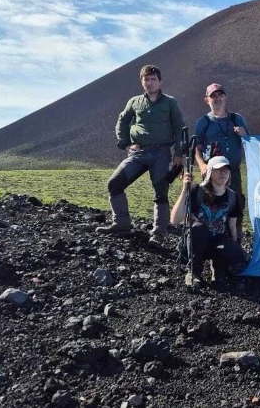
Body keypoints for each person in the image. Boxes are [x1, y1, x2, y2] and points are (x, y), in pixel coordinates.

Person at [96, 64, 185, 246]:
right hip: (139, 152)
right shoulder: (134, 102)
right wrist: (126, 144)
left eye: (153, 79)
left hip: (161, 152)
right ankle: (121, 224)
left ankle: (158, 234)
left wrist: (178, 153)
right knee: (114, 183)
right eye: (146, 79)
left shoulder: (170, 102)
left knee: (160, 193)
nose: (150, 82)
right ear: (142, 82)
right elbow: (122, 121)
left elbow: (179, 128)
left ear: (160, 82)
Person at [171, 155, 247, 289]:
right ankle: (193, 272)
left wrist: (234, 249)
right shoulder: (197, 191)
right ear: (210, 172)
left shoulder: (233, 197)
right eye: (218, 170)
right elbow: (175, 219)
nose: (222, 173)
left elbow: (232, 227)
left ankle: (219, 269)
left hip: (217, 243)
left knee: (233, 249)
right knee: (199, 229)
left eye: (226, 170)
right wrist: (185, 190)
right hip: (195, 242)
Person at [194, 83, 249, 240]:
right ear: (207, 100)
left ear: (226, 97)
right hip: (211, 173)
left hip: (232, 172)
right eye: (213, 96)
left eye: (220, 95)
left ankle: (235, 244)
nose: (217, 98)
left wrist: (244, 135)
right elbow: (196, 148)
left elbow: (250, 144)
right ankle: (211, 243)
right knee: (210, 206)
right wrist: (202, 165)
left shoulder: (237, 119)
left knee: (235, 205)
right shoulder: (203, 122)